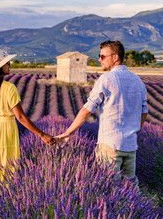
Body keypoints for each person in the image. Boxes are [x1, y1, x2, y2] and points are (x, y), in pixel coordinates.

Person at [55, 40, 148, 185]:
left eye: (103, 56)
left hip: (110, 145)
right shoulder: (137, 81)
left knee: (108, 186)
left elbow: (87, 109)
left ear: (115, 57)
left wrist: (69, 132)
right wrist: (135, 131)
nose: (99, 59)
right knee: (130, 187)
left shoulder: (107, 78)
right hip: (130, 146)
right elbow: (144, 111)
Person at [0, 48, 55, 193]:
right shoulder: (9, 88)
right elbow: (21, 117)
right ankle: (2, 201)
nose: (10, 64)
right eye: (6, 62)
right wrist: (42, 135)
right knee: (4, 168)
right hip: (5, 132)